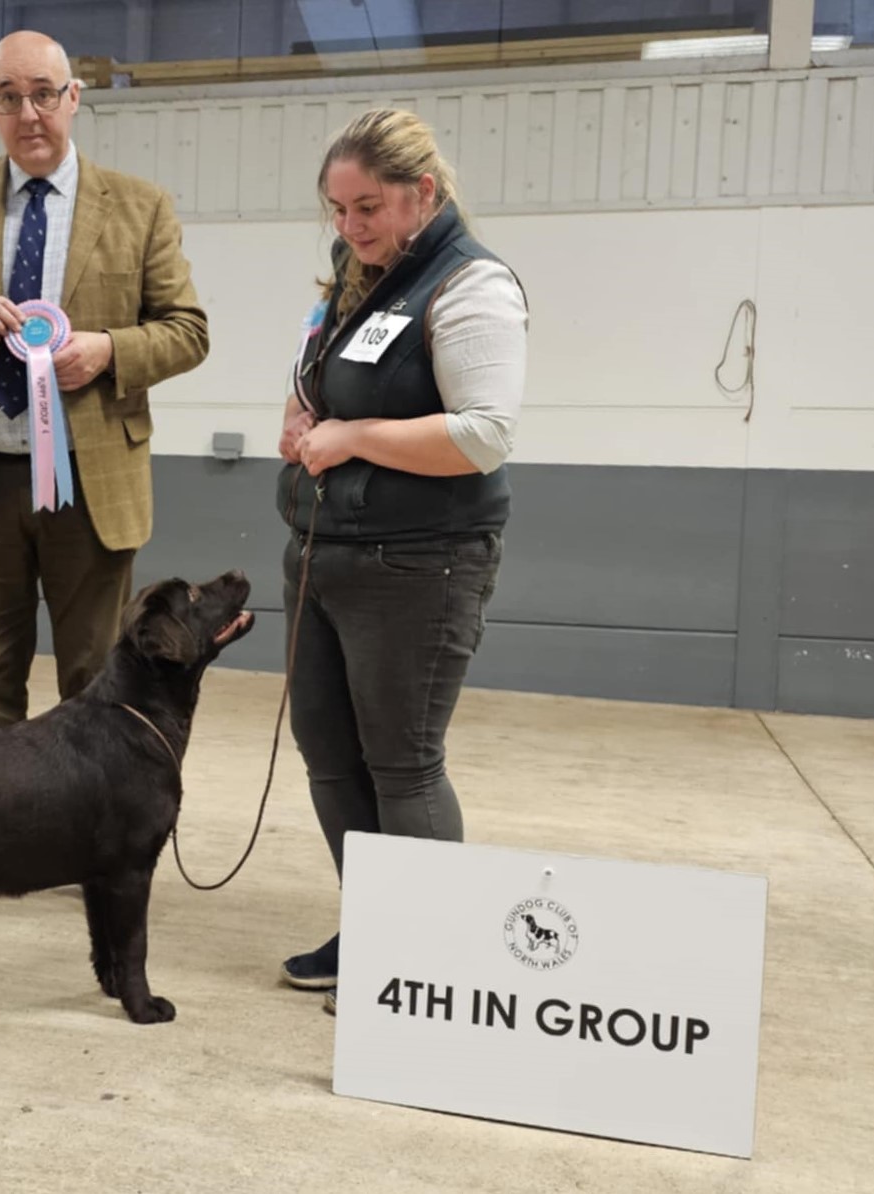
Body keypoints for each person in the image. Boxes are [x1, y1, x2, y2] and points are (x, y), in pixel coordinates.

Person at [0, 31, 209, 910]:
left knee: (99, 674)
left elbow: (187, 330)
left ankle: (93, 842)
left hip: (91, 480)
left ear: (74, 98)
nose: (28, 113)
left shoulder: (138, 205)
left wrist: (107, 350)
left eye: (44, 93)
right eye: (8, 96)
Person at [275, 109, 528, 1009]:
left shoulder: (470, 283)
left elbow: (483, 435)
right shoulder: (358, 278)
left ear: (423, 192)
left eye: (368, 207)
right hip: (325, 551)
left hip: (421, 564)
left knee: (402, 762)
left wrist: (352, 438)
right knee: (328, 752)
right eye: (338, 209)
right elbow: (319, 384)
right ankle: (380, 927)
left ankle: (429, 963)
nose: (350, 226)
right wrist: (301, 419)